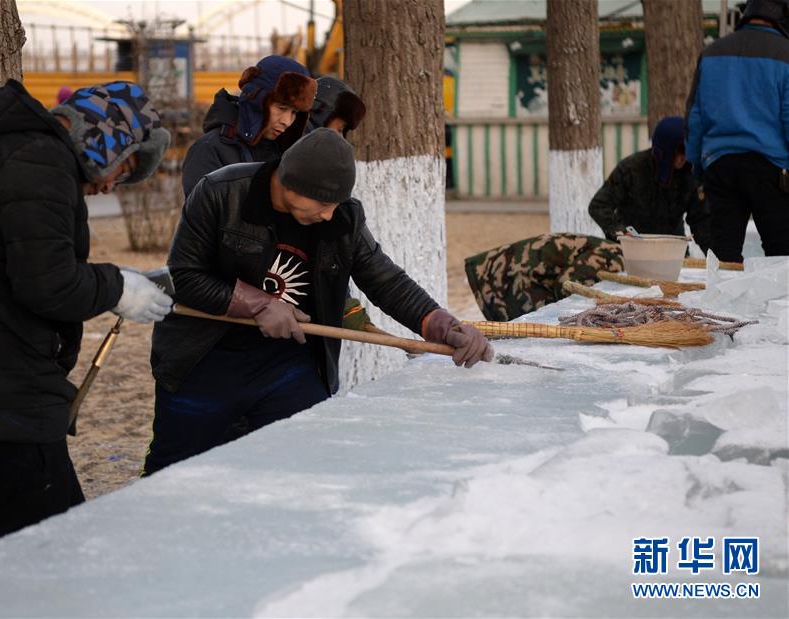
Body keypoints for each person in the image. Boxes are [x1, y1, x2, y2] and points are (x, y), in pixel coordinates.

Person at [0, 80, 174, 546]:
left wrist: (113, 281)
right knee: (51, 568)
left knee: (10, 568)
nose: (109, 185)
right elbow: (48, 283)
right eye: (124, 166)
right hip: (0, 419)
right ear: (105, 135)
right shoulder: (39, 159)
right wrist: (116, 287)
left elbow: (13, 271)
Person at [142, 129, 493, 475]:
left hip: (288, 364)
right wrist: (260, 304)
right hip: (204, 359)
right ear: (289, 182)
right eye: (323, 204)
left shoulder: (342, 217)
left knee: (305, 466)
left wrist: (441, 324)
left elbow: (386, 280)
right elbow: (184, 276)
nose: (328, 214)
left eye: (335, 204)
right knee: (169, 473)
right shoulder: (221, 192)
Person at [685, 0, 789, 262]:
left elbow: (695, 116)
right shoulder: (785, 53)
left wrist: (697, 167)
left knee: (724, 255)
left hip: (719, 166)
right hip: (772, 169)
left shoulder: (711, 53)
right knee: (781, 257)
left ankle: (725, 290)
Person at [181, 54, 316, 197]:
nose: (287, 121)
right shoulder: (209, 150)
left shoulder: (294, 151)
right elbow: (202, 209)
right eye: (281, 108)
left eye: (294, 112)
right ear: (256, 100)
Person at [588, 116, 711, 253]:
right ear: (665, 150)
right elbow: (599, 206)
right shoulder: (631, 169)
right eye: (679, 151)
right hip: (631, 251)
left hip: (672, 253)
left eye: (687, 151)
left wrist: (716, 256)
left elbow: (701, 220)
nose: (683, 157)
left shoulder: (690, 175)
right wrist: (621, 232)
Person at [465, 234, 624, 322]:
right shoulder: (615, 256)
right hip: (514, 271)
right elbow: (566, 284)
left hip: (526, 271)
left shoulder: (619, 253)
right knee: (524, 331)